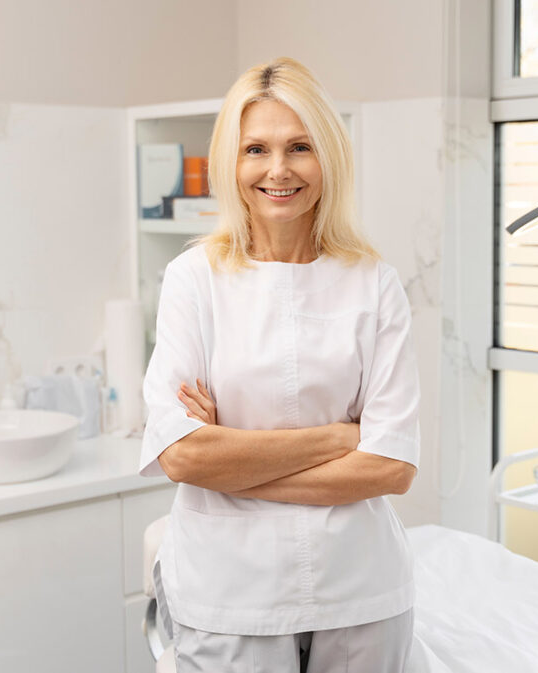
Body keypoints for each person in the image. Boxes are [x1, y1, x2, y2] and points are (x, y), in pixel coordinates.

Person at [139, 56, 421, 673]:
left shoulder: (374, 283)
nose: (278, 170)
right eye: (255, 149)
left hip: (361, 592)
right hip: (227, 596)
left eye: (300, 146)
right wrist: (341, 439)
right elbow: (183, 456)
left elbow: (393, 467)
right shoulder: (193, 279)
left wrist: (230, 463)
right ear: (230, 162)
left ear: (329, 158)